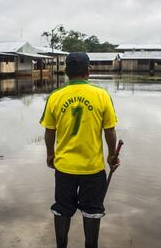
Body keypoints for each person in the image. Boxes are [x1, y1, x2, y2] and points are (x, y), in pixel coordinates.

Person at [40, 52, 120, 248]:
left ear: (66, 72)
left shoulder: (55, 96)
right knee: (92, 211)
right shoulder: (101, 95)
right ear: (88, 71)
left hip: (65, 168)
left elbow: (50, 131)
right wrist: (112, 155)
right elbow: (110, 130)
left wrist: (50, 154)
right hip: (93, 169)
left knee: (62, 209)